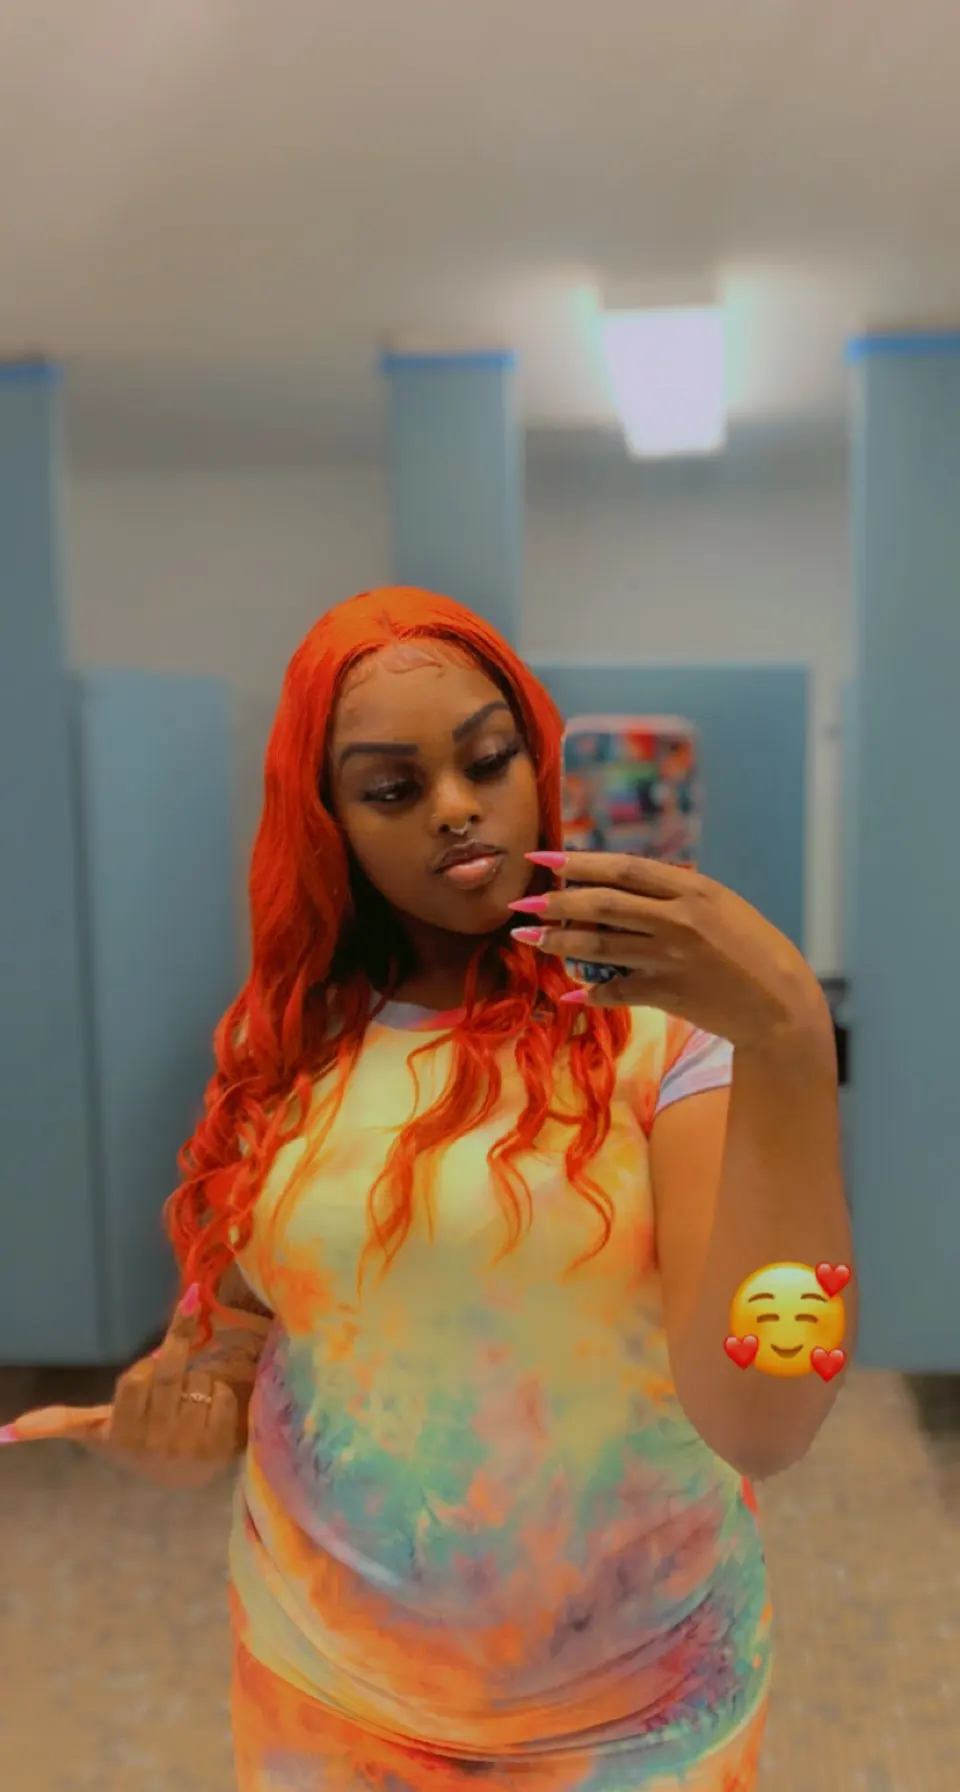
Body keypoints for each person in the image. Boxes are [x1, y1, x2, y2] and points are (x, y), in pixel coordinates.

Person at [7, 587, 854, 1790]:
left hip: (632, 1726)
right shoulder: (285, 1046)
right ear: (330, 823)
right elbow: (244, 1346)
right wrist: (173, 1423)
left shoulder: (660, 1039)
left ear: (538, 761)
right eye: (394, 788)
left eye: (488, 760)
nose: (456, 807)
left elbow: (765, 1418)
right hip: (320, 1704)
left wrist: (789, 1045)